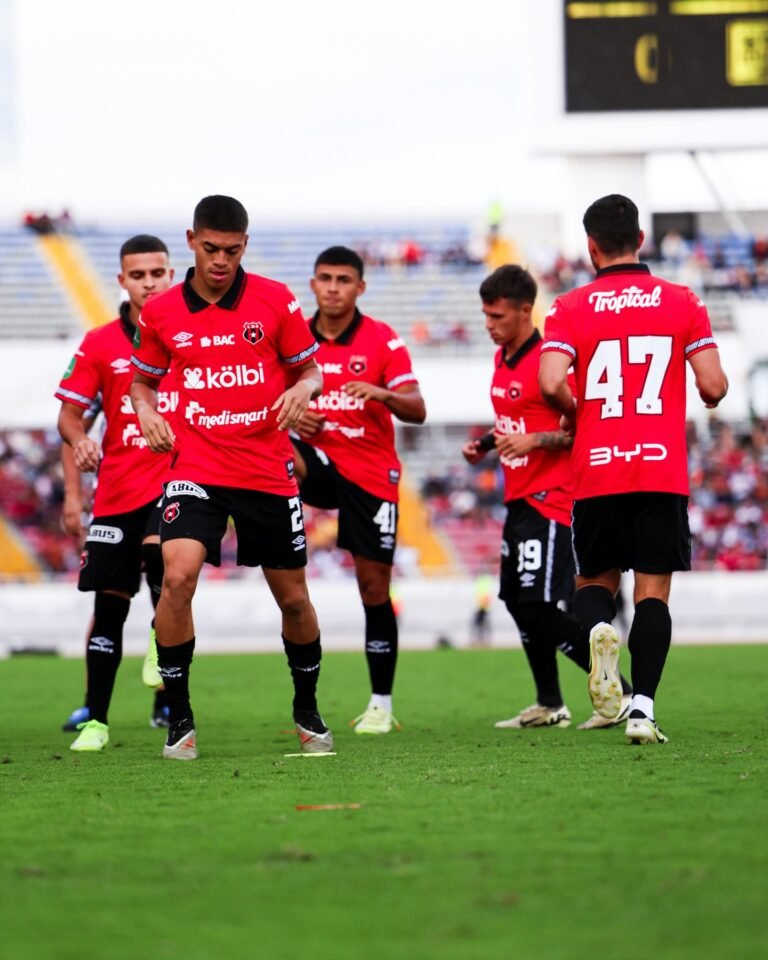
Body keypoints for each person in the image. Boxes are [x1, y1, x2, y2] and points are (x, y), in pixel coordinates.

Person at [130, 195, 330, 760]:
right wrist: (146, 411)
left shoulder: (275, 300)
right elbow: (143, 381)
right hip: (196, 464)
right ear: (191, 239)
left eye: (233, 250)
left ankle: (307, 708)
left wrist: (302, 387)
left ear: (246, 245)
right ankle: (180, 718)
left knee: (292, 599)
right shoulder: (163, 311)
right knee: (176, 578)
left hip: (266, 468)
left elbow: (309, 367)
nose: (221, 261)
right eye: (211, 248)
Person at [539, 194, 728, 745]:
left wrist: (584, 415)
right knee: (653, 594)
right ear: (640, 240)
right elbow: (713, 385)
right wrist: (706, 399)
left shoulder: (569, 307)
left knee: (593, 583)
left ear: (591, 247)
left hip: (597, 468)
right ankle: (642, 709)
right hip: (659, 469)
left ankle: (600, 631)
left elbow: (551, 382)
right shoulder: (681, 300)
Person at [462, 265, 632, 730]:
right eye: (485, 315)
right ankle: (551, 703)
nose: (489, 324)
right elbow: (518, 422)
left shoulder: (550, 363)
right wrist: (488, 443)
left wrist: (537, 442)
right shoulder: (502, 359)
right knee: (518, 602)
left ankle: (624, 693)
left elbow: (584, 429)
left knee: (537, 605)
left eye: (497, 316)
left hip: (553, 499)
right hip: (519, 498)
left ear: (524, 311)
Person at [291, 246, 426, 734]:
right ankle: (247, 518)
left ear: (360, 288)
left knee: (374, 588)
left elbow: (417, 408)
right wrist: (289, 412)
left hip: (369, 476)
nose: (332, 287)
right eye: (324, 278)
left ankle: (381, 704)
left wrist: (383, 393)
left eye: (343, 279)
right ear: (312, 284)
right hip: (318, 462)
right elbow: (259, 397)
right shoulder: (293, 340)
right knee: (275, 444)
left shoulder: (382, 341)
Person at [55, 235, 175, 751]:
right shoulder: (100, 343)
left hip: (176, 480)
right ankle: (97, 721)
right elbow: (68, 415)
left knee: (165, 564)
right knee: (108, 607)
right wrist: (80, 444)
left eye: (158, 273)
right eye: (139, 275)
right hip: (117, 490)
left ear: (172, 275)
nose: (149, 283)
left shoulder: (195, 336)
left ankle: (165, 668)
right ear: (122, 280)